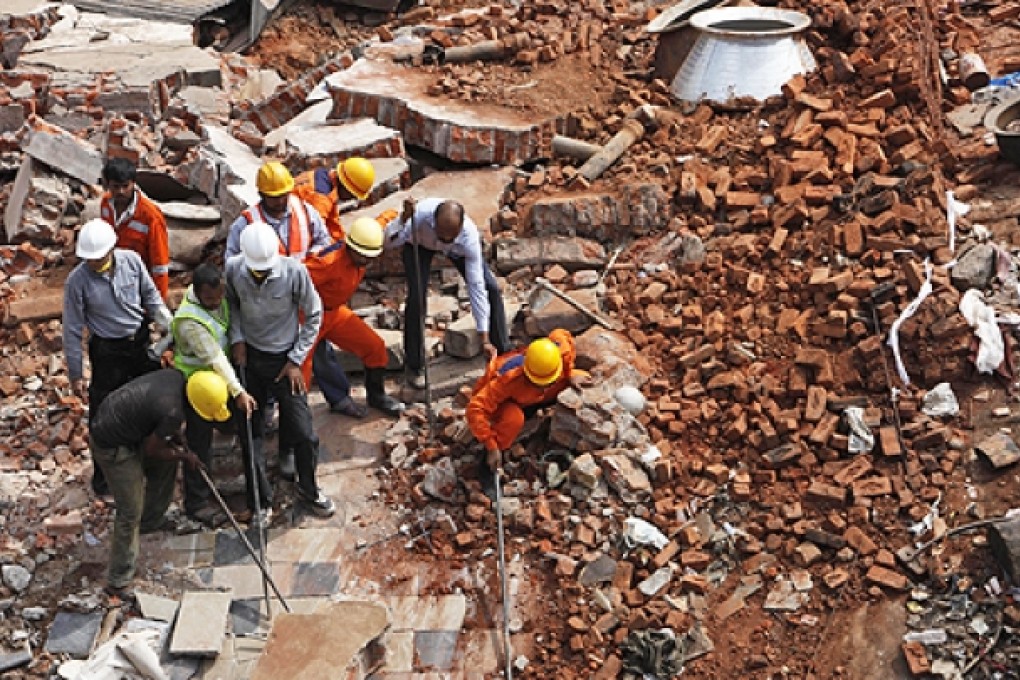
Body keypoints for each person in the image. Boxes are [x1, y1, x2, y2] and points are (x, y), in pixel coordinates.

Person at [225, 221, 334, 524]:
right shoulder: (234, 269)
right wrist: (238, 339)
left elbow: (314, 314)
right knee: (251, 432)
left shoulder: (293, 272)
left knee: (304, 432)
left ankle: (309, 490)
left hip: (286, 362)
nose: (260, 273)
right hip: (251, 360)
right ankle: (260, 501)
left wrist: (297, 359)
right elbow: (230, 305)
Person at [89, 368, 227, 598]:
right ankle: (118, 580)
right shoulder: (171, 411)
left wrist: (177, 442)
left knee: (166, 465)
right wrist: (185, 456)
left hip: (128, 428)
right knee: (130, 509)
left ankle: (151, 521)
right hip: (111, 445)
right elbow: (152, 449)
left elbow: (157, 427)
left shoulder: (177, 380)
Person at [63, 219, 171, 496]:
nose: (94, 263)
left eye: (98, 257)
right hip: (108, 352)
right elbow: (72, 329)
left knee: (149, 405)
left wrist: (171, 328)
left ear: (111, 249)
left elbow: (152, 298)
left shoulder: (131, 263)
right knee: (103, 413)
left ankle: (147, 467)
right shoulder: (77, 282)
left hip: (139, 344)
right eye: (89, 259)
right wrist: (76, 374)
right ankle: (104, 479)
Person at [384, 198, 510, 389]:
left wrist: (482, 336)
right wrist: (403, 219)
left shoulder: (468, 237)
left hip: (456, 250)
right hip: (419, 245)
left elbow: (476, 286)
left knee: (490, 287)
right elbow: (388, 242)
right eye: (442, 236)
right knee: (417, 299)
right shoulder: (419, 217)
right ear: (434, 223)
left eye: (450, 237)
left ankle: (501, 351)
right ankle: (415, 365)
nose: (444, 241)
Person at [170, 263, 257, 525]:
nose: (216, 302)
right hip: (198, 382)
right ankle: (197, 503)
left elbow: (231, 322)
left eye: (219, 295)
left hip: (220, 376)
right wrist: (239, 391)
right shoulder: (190, 321)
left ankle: (229, 426)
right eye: (210, 299)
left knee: (234, 419)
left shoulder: (221, 291)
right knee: (199, 440)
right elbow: (214, 357)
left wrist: (238, 341)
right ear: (197, 292)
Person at [302, 217, 405, 418]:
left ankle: (377, 396)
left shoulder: (366, 237)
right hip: (308, 318)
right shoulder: (327, 263)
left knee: (374, 347)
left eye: (370, 256)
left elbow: (382, 221)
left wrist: (403, 216)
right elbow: (293, 281)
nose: (365, 260)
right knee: (301, 374)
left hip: (335, 314)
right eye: (362, 256)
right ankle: (297, 424)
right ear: (350, 246)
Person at [466, 330, 581, 487]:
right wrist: (491, 446)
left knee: (583, 379)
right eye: (538, 383)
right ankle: (489, 464)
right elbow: (475, 408)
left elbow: (562, 334)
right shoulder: (506, 379)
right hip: (510, 400)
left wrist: (570, 373)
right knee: (513, 419)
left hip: (535, 396)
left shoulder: (558, 352)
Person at [99, 158, 171, 300]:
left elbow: (159, 264)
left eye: (125, 186)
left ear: (133, 183)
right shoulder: (106, 204)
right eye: (115, 187)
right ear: (107, 184)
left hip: (139, 283)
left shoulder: (151, 216)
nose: (120, 191)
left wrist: (157, 303)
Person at [294, 157, 377, 241]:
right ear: (346, 187)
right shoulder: (321, 199)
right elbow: (312, 235)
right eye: (352, 195)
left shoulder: (323, 176)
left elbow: (332, 223)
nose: (352, 199)